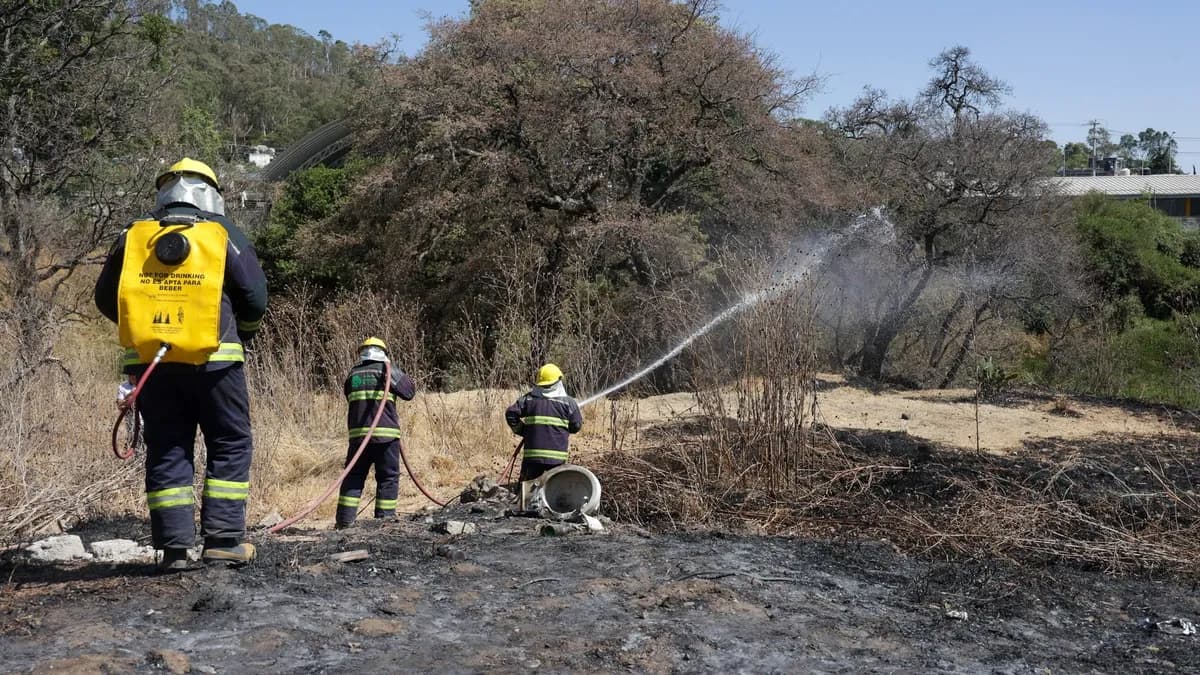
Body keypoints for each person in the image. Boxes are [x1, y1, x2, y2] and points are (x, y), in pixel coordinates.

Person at [94, 158, 267, 571]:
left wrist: (146, 327)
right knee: (229, 442)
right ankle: (224, 541)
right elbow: (255, 297)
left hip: (155, 366)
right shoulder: (222, 233)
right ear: (212, 191)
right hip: (216, 362)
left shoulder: (133, 236)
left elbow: (105, 298)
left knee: (168, 446)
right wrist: (243, 332)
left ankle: (174, 550)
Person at [336, 337, 417, 528]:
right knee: (388, 478)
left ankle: (344, 522)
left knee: (353, 478)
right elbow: (409, 392)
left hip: (358, 438)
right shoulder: (388, 371)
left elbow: (349, 397)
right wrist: (394, 370)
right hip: (386, 437)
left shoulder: (352, 374)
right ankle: (385, 521)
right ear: (383, 352)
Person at [505, 363, 583, 483]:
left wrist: (523, 430)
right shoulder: (569, 403)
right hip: (557, 459)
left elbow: (511, 413)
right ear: (559, 381)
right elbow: (576, 426)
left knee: (526, 491)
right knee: (555, 492)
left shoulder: (528, 400)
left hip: (532, 458)